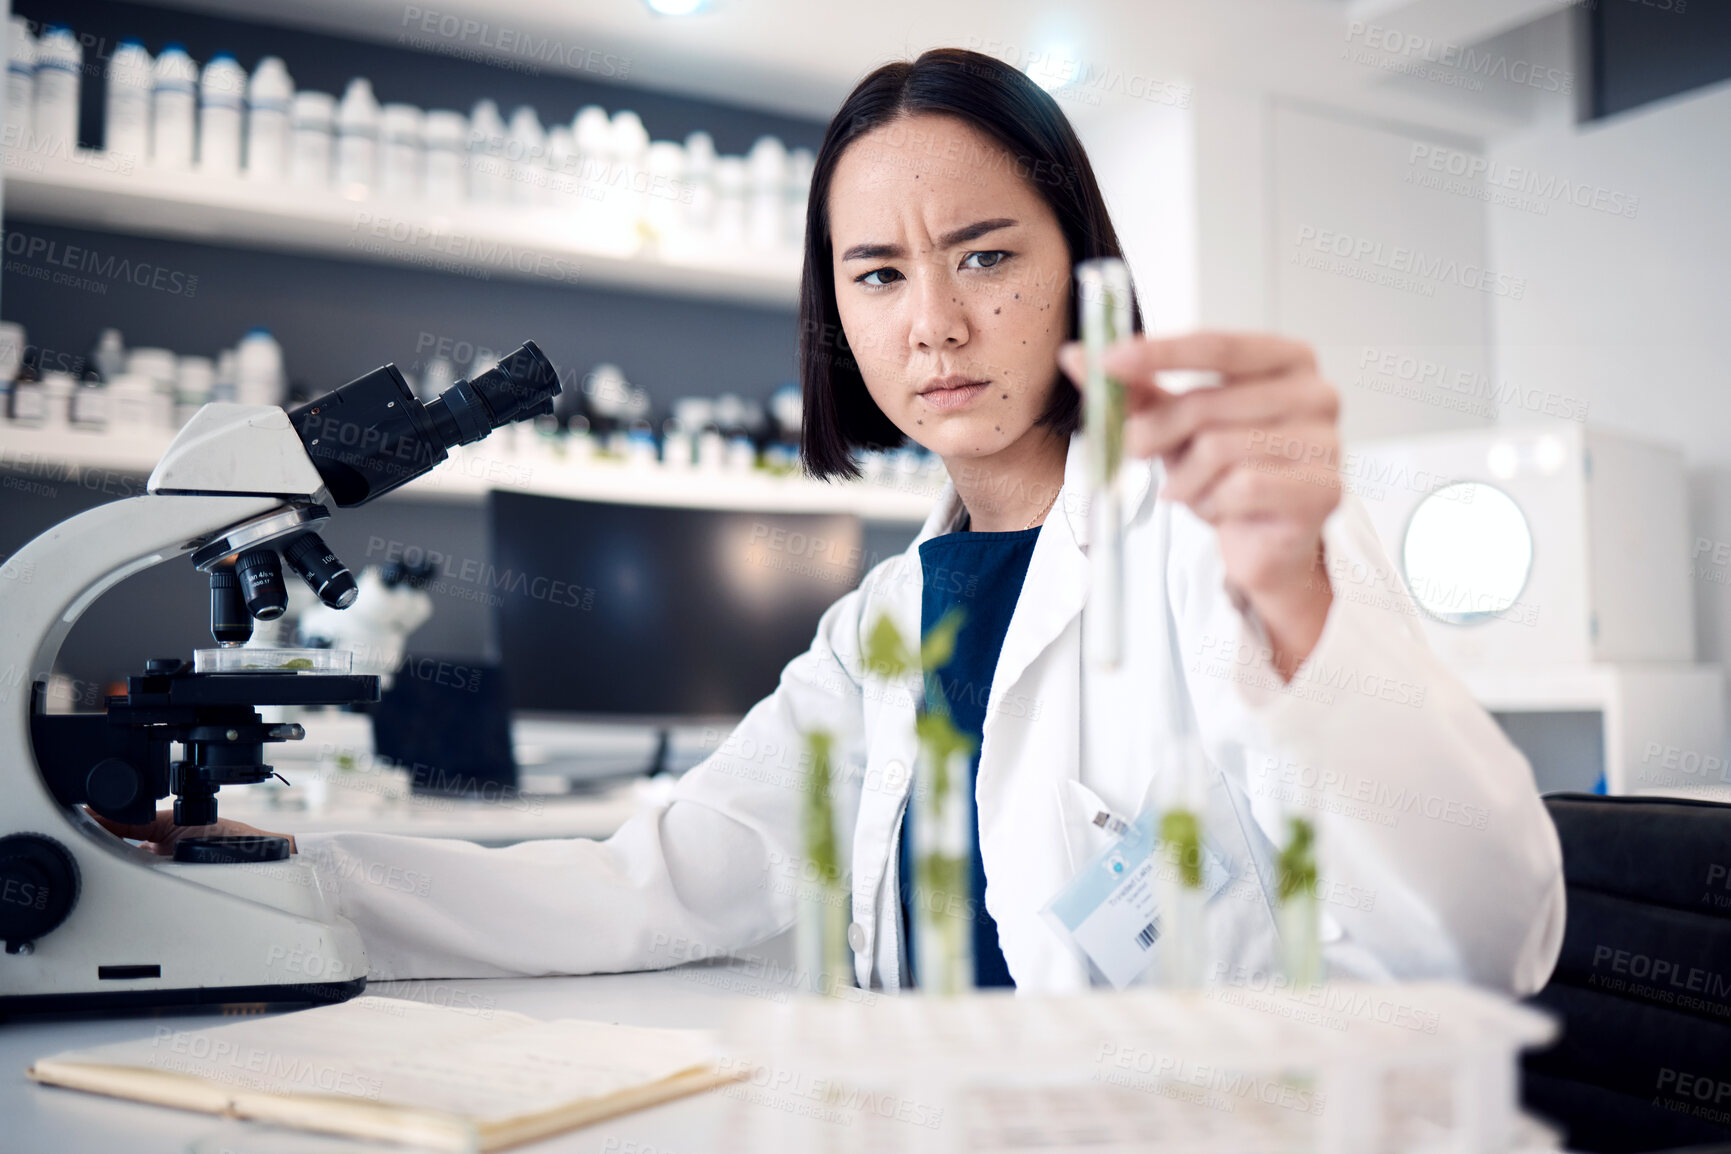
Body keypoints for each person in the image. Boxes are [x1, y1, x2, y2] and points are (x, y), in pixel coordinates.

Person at [98, 48, 1564, 995]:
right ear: (834, 316)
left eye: (985, 254)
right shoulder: (882, 632)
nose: (934, 322)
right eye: (876, 274)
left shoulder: (1216, 538)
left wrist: (1306, 623)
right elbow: (643, 888)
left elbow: (1492, 940)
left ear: (1079, 266)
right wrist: (265, 874)